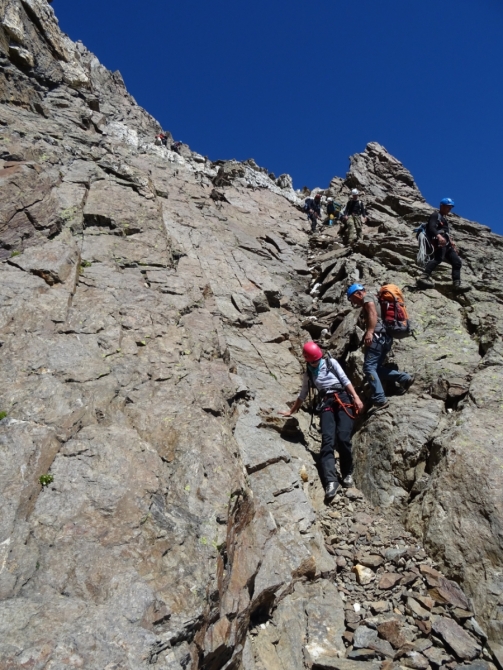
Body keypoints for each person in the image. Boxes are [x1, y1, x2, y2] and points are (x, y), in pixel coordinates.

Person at [279, 341, 364, 499]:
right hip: (326, 402)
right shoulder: (309, 374)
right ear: (308, 360)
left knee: (344, 437)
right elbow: (302, 395)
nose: (316, 362)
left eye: (318, 359)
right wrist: (291, 411)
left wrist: (356, 397)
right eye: (313, 361)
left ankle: (347, 473)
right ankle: (331, 480)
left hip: (343, 398)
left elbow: (345, 380)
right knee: (327, 440)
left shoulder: (331, 363)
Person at [347, 283, 414, 410]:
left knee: (369, 368)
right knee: (376, 368)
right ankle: (404, 378)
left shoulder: (368, 298)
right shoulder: (377, 298)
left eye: (353, 299)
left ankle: (379, 399)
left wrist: (370, 332)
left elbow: (372, 313)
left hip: (377, 337)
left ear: (358, 293)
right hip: (386, 338)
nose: (354, 302)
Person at [416, 198, 471, 292]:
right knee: (438, 259)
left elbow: (445, 232)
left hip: (447, 244)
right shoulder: (435, 215)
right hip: (439, 242)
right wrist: (439, 237)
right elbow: (431, 227)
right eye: (447, 207)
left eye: (450, 207)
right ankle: (423, 278)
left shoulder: (444, 219)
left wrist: (451, 242)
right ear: (442, 206)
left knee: (457, 262)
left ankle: (456, 285)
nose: (449, 209)